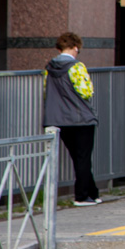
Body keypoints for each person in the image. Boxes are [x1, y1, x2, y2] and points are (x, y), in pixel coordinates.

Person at [42, 32, 100, 206]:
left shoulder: (49, 68)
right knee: (83, 157)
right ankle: (81, 196)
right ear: (76, 47)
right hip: (80, 119)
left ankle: (92, 192)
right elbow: (86, 91)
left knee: (78, 157)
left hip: (58, 120)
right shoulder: (76, 67)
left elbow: (47, 91)